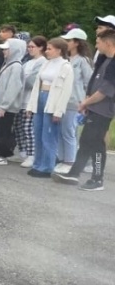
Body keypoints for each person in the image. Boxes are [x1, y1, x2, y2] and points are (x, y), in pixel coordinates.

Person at [53, 28, 115, 191]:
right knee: (86, 141)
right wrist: (87, 101)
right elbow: (94, 83)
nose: (96, 45)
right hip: (94, 107)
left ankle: (97, 179)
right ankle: (74, 173)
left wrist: (85, 103)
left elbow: (104, 91)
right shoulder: (104, 59)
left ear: (108, 43)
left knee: (95, 143)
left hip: (104, 110)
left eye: (98, 42)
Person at [26, 38, 74, 178]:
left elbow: (65, 91)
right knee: (38, 133)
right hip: (40, 97)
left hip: (52, 101)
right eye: (46, 48)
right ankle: (37, 164)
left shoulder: (65, 66)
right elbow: (36, 85)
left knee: (49, 135)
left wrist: (58, 111)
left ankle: (47, 166)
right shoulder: (46, 64)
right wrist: (31, 106)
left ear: (59, 50)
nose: (47, 51)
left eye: (49, 49)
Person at [55, 28, 93, 173]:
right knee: (60, 131)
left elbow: (88, 82)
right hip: (61, 101)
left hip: (74, 101)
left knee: (69, 132)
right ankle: (62, 158)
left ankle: (70, 161)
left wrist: (85, 102)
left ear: (77, 43)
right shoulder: (65, 60)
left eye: (69, 40)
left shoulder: (83, 61)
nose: (66, 43)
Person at [0, 38, 26, 165]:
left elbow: (13, 88)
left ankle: (2, 155)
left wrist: (4, 106)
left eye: (7, 49)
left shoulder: (16, 66)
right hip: (0, 105)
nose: (4, 51)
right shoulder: (8, 64)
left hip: (7, 107)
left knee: (3, 131)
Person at [14, 36, 47, 168]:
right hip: (21, 100)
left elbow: (32, 82)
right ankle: (22, 152)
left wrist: (22, 80)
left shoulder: (43, 62)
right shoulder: (27, 63)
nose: (30, 49)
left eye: (32, 47)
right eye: (28, 47)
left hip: (31, 101)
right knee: (18, 126)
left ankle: (31, 155)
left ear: (41, 47)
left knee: (28, 128)